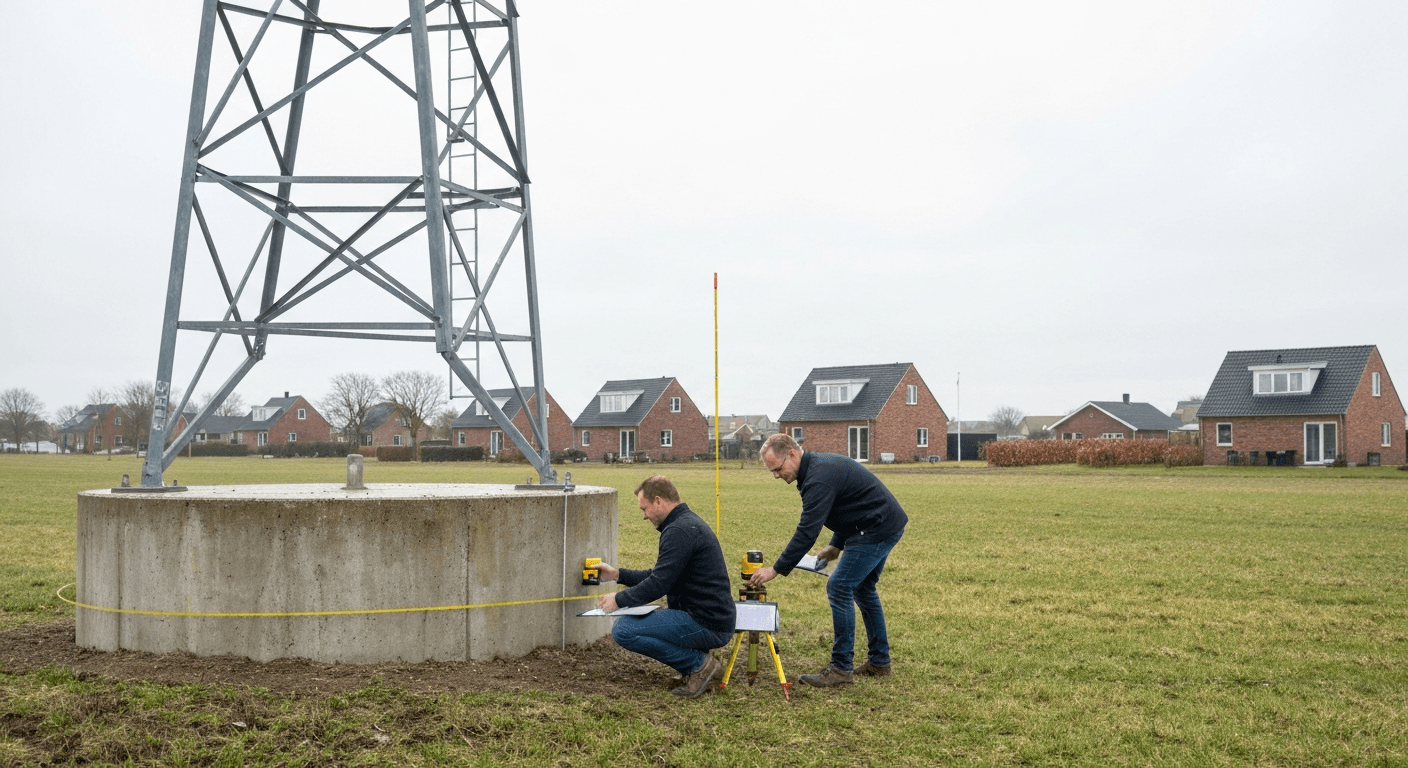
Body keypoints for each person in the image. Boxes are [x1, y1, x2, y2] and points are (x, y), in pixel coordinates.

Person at [748, 432, 908, 687]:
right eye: (772, 472)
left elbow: (807, 532)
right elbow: (846, 506)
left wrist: (776, 569)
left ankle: (841, 669)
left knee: (839, 587)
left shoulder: (817, 477)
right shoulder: (815, 469)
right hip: (881, 522)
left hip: (875, 528)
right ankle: (879, 662)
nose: (776, 476)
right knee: (863, 589)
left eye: (777, 469)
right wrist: (836, 544)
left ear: (792, 454)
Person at [593, 475, 736, 698]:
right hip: (710, 618)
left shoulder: (679, 531)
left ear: (658, 501)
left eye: (645, 509)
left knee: (624, 630)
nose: (644, 516)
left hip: (706, 622)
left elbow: (658, 584)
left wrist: (618, 600)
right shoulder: (685, 524)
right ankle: (696, 664)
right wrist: (617, 575)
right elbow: (661, 576)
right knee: (635, 625)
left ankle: (700, 665)